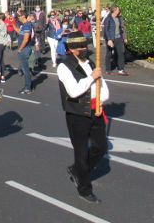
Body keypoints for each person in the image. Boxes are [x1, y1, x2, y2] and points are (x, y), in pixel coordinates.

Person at [57, 31, 109, 203]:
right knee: (81, 152)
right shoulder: (64, 67)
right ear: (71, 49)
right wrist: (91, 77)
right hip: (77, 115)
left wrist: (102, 99)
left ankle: (77, 170)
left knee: (101, 147)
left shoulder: (91, 62)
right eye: (81, 47)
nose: (85, 49)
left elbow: (102, 85)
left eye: (85, 46)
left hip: (96, 110)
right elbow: (74, 91)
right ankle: (84, 189)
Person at [13, 13, 35, 95]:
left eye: (19, 16)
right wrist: (13, 24)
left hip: (24, 49)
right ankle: (28, 86)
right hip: (25, 49)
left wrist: (20, 49)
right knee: (25, 69)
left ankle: (28, 87)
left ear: (23, 16)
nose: (18, 17)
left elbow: (25, 39)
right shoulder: (25, 25)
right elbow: (19, 32)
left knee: (25, 70)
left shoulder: (27, 26)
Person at [103, 5, 128, 75]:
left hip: (119, 38)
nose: (119, 11)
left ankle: (121, 69)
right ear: (114, 10)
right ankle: (108, 69)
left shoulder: (119, 18)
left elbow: (122, 29)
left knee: (121, 53)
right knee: (109, 54)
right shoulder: (108, 19)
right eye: (118, 10)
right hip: (111, 38)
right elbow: (106, 30)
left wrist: (124, 37)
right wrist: (109, 40)